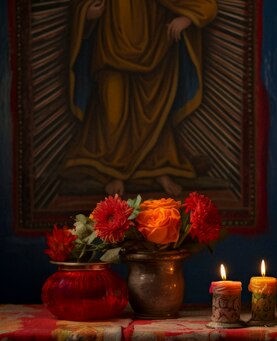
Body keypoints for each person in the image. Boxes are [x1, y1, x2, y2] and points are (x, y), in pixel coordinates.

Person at [63, 0, 218, 196]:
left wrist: (187, 18)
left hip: (156, 51)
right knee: (113, 114)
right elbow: (80, 5)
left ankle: (158, 169)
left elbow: (207, 5)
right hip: (112, 51)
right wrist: (85, 13)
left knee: (153, 114)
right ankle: (114, 171)